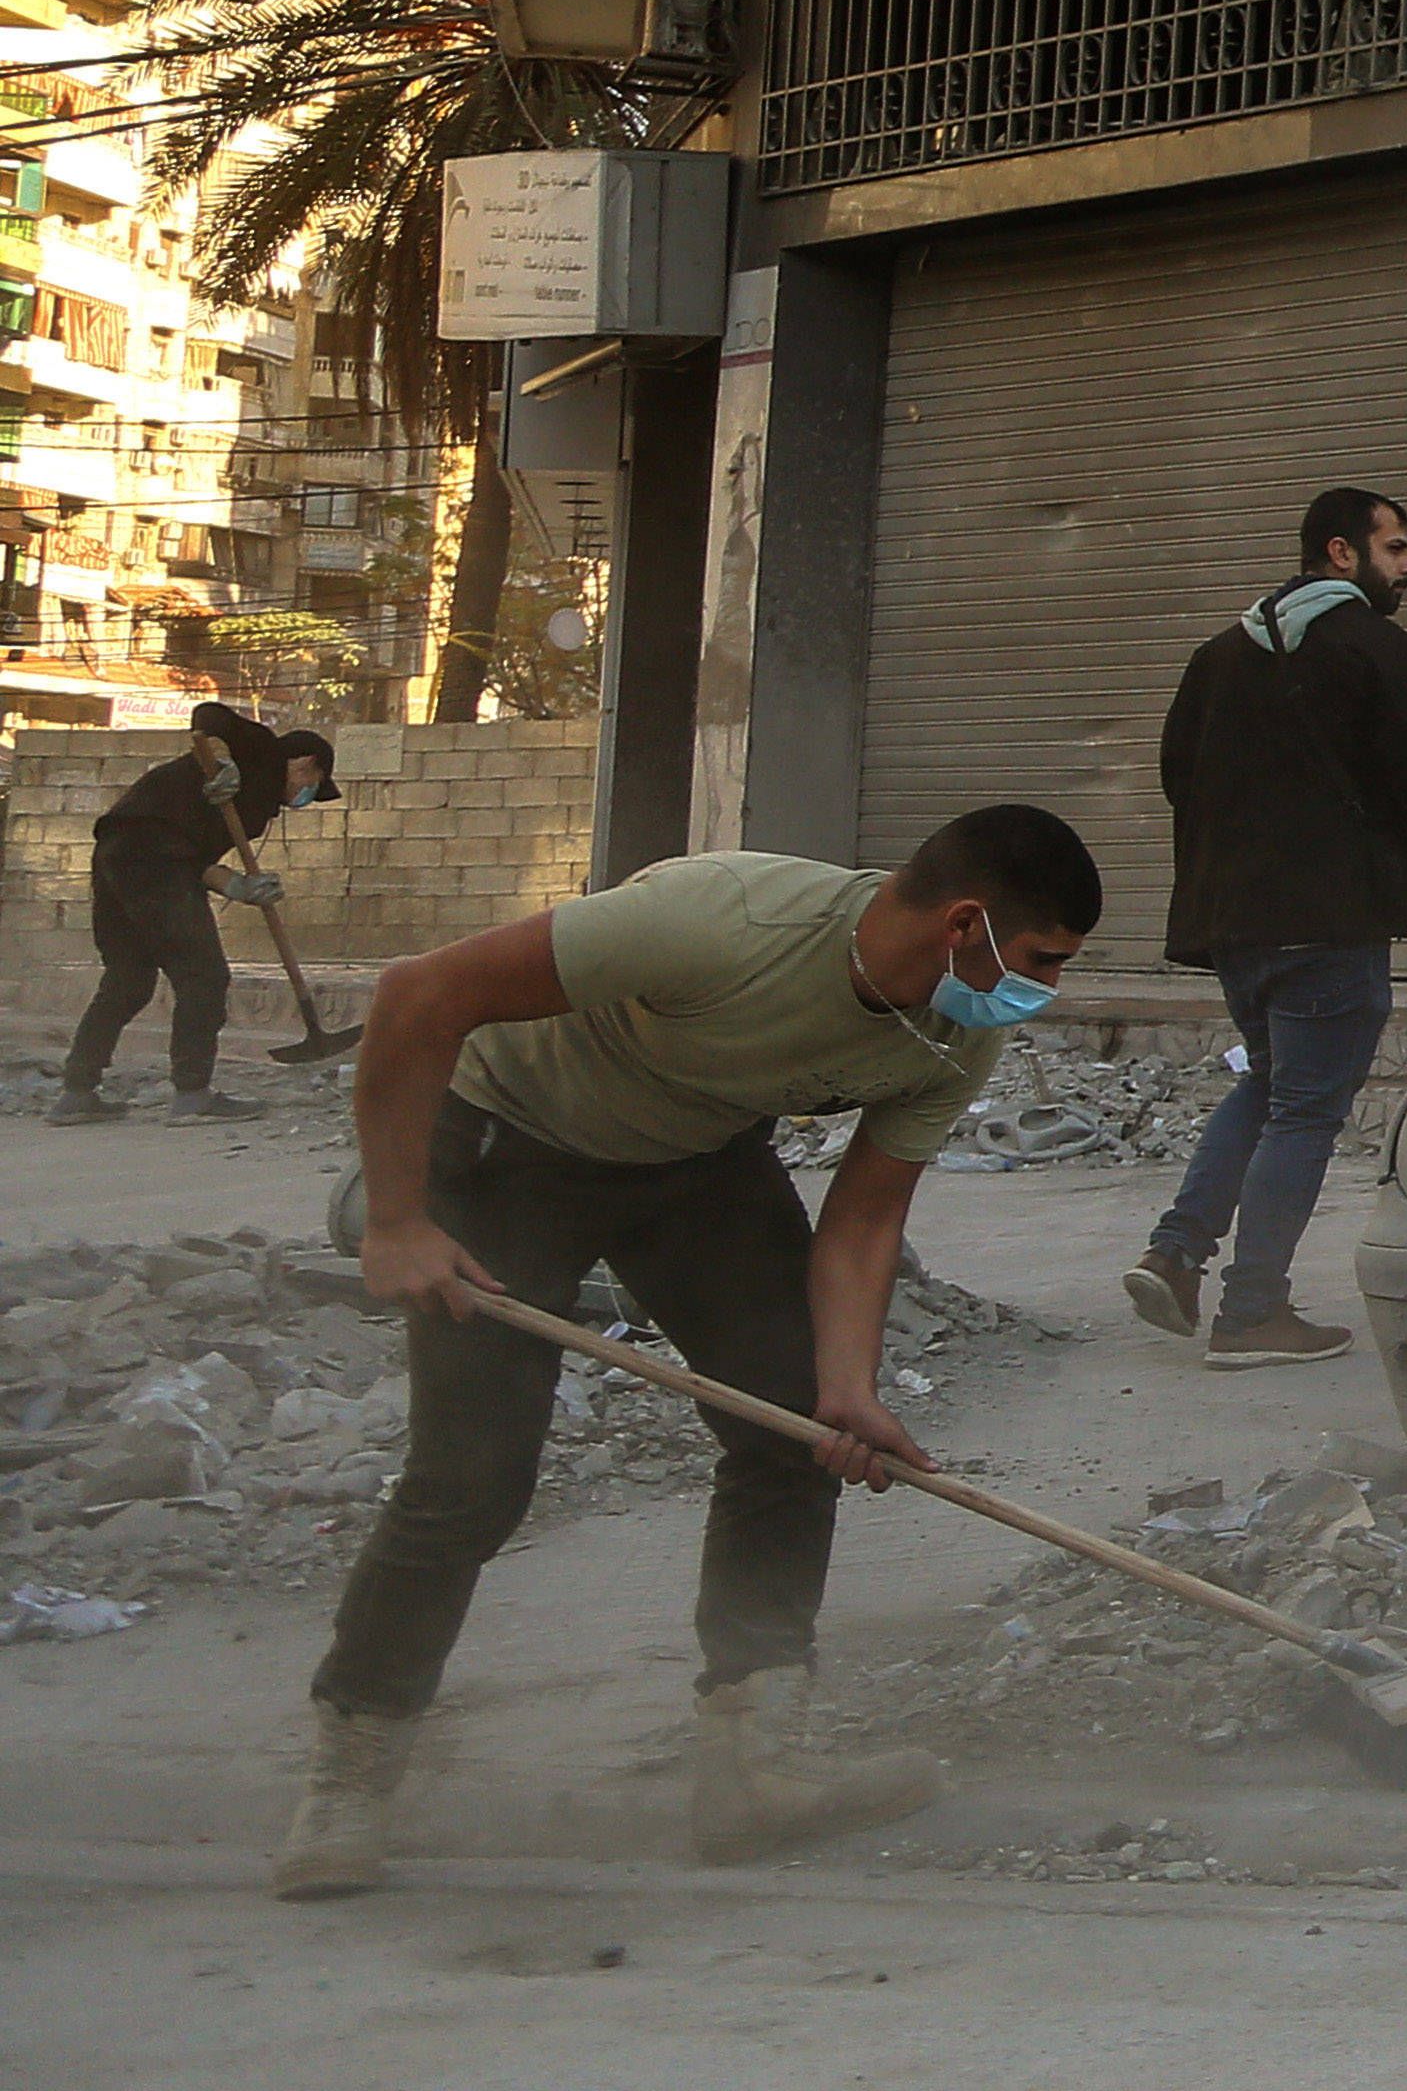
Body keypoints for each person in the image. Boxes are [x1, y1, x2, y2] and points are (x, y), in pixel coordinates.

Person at [271, 803, 1102, 1902]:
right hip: (511, 1145)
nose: (1042, 989)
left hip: (697, 1163)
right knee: (471, 1480)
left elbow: (862, 1220)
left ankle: (751, 1766)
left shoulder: (959, 1030)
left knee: (793, 1432)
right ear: (964, 926)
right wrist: (395, 1220)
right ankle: (352, 1774)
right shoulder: (720, 921)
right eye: (1040, 961)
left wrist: (845, 1390)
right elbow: (419, 991)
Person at [1132, 485, 1407, 1367]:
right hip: (1329, 928)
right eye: (1396, 548)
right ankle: (1252, 1315)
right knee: (1305, 1114)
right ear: (1341, 554)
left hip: (1234, 928)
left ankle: (1175, 1251)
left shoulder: (1217, 656)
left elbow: (1179, 777)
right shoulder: (1378, 651)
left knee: (1270, 1088)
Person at [50, 706, 337, 1124]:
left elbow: (194, 860)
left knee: (129, 978)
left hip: (124, 855)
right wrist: (223, 762)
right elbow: (209, 714)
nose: (309, 796)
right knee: (204, 976)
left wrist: (238, 887)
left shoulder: (254, 812)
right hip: (146, 855)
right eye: (315, 785)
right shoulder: (261, 752)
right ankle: (192, 1094)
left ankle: (76, 1092)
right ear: (307, 765)